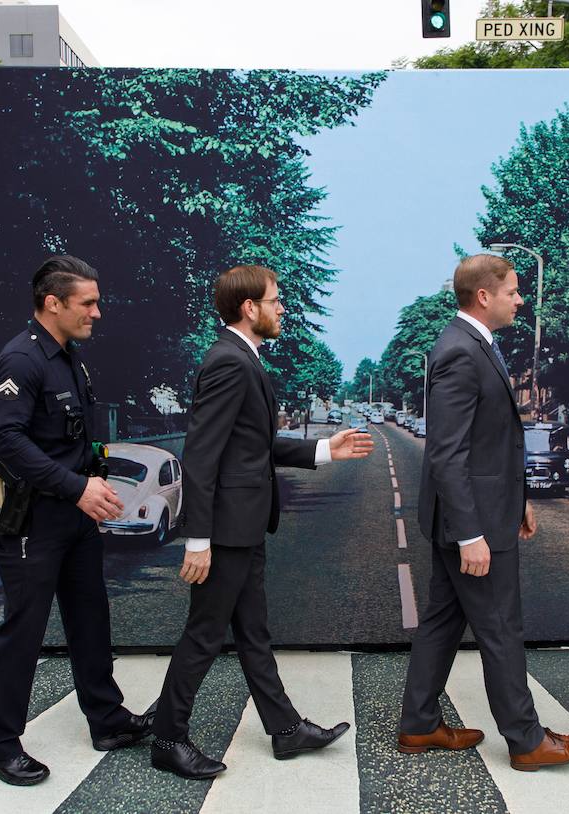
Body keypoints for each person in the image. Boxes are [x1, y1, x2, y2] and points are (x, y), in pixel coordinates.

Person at [151, 264, 375, 781]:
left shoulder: (242, 359)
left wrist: (324, 449)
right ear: (249, 307)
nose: (281, 309)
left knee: (252, 633)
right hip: (226, 531)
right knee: (205, 635)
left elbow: (253, 446)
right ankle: (167, 738)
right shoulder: (229, 362)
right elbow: (201, 456)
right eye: (275, 301)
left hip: (244, 527)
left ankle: (286, 729)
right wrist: (198, 539)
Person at [395, 254, 569, 771]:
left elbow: (492, 441)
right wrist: (470, 534)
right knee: (502, 627)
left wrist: (520, 499)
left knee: (442, 622)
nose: (520, 298)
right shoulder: (460, 352)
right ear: (483, 296)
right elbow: (446, 451)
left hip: (489, 510)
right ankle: (527, 741)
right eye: (513, 290)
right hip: (472, 523)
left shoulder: (477, 346)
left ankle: (419, 724)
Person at [0, 257, 153, 787]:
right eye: (88, 303)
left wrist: (92, 479)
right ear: (53, 303)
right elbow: (7, 441)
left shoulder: (68, 358)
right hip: (35, 521)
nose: (97, 312)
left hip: (74, 519)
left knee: (90, 620)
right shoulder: (21, 360)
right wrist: (77, 487)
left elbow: (70, 436)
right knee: (22, 633)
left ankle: (108, 720)